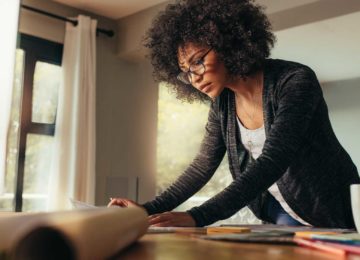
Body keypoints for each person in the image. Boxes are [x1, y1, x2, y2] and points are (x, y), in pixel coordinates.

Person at [109, 0, 359, 228]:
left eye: (198, 61)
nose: (194, 78)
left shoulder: (294, 81)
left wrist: (198, 216)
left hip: (332, 208)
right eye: (185, 71)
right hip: (280, 211)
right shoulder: (223, 104)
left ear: (228, 43)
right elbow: (201, 167)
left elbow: (273, 160)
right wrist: (146, 209)